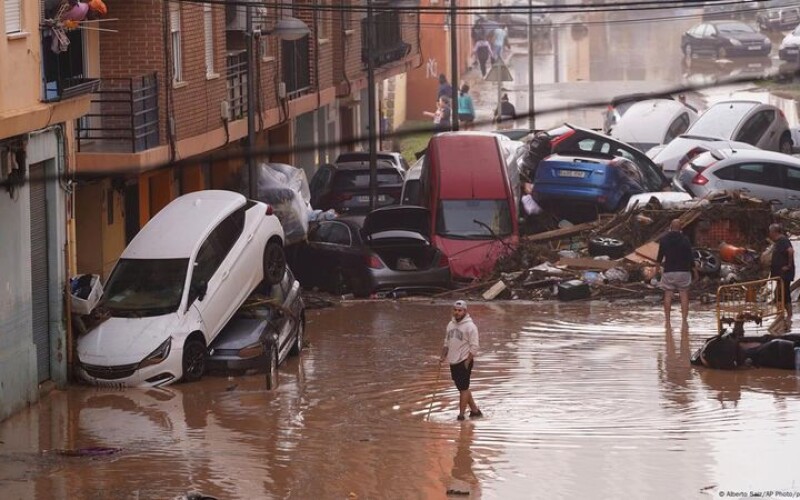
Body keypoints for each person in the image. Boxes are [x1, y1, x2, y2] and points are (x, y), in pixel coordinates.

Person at [440, 300, 482, 421]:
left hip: (464, 361)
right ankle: (475, 411)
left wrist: (467, 361)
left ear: (465, 311)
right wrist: (443, 356)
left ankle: (461, 415)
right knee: (462, 387)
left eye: (460, 310)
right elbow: (446, 342)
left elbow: (475, 346)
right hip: (453, 361)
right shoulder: (450, 324)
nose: (457, 312)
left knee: (463, 389)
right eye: (455, 310)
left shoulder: (470, 327)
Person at [656, 219, 697, 329]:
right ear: (680, 228)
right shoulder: (685, 240)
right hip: (683, 272)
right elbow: (690, 256)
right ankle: (684, 320)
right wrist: (695, 271)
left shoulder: (664, 239)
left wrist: (656, 270)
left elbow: (659, 256)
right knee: (683, 295)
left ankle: (668, 321)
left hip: (669, 271)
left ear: (670, 227)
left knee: (668, 294)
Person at [769, 222, 794, 320]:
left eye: (770, 232)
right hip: (780, 274)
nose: (769, 234)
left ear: (774, 232)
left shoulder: (783, 240)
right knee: (779, 293)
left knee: (784, 293)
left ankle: (787, 315)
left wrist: (788, 265)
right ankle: (781, 314)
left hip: (784, 274)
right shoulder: (778, 242)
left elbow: (790, 251)